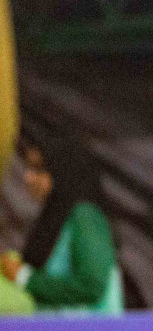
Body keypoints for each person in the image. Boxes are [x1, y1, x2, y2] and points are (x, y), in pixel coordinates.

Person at [2, 134, 122, 313]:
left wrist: (23, 277)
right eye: (28, 168)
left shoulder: (86, 216)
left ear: (63, 170)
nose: (28, 177)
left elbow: (91, 285)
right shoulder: (56, 217)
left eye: (38, 169)